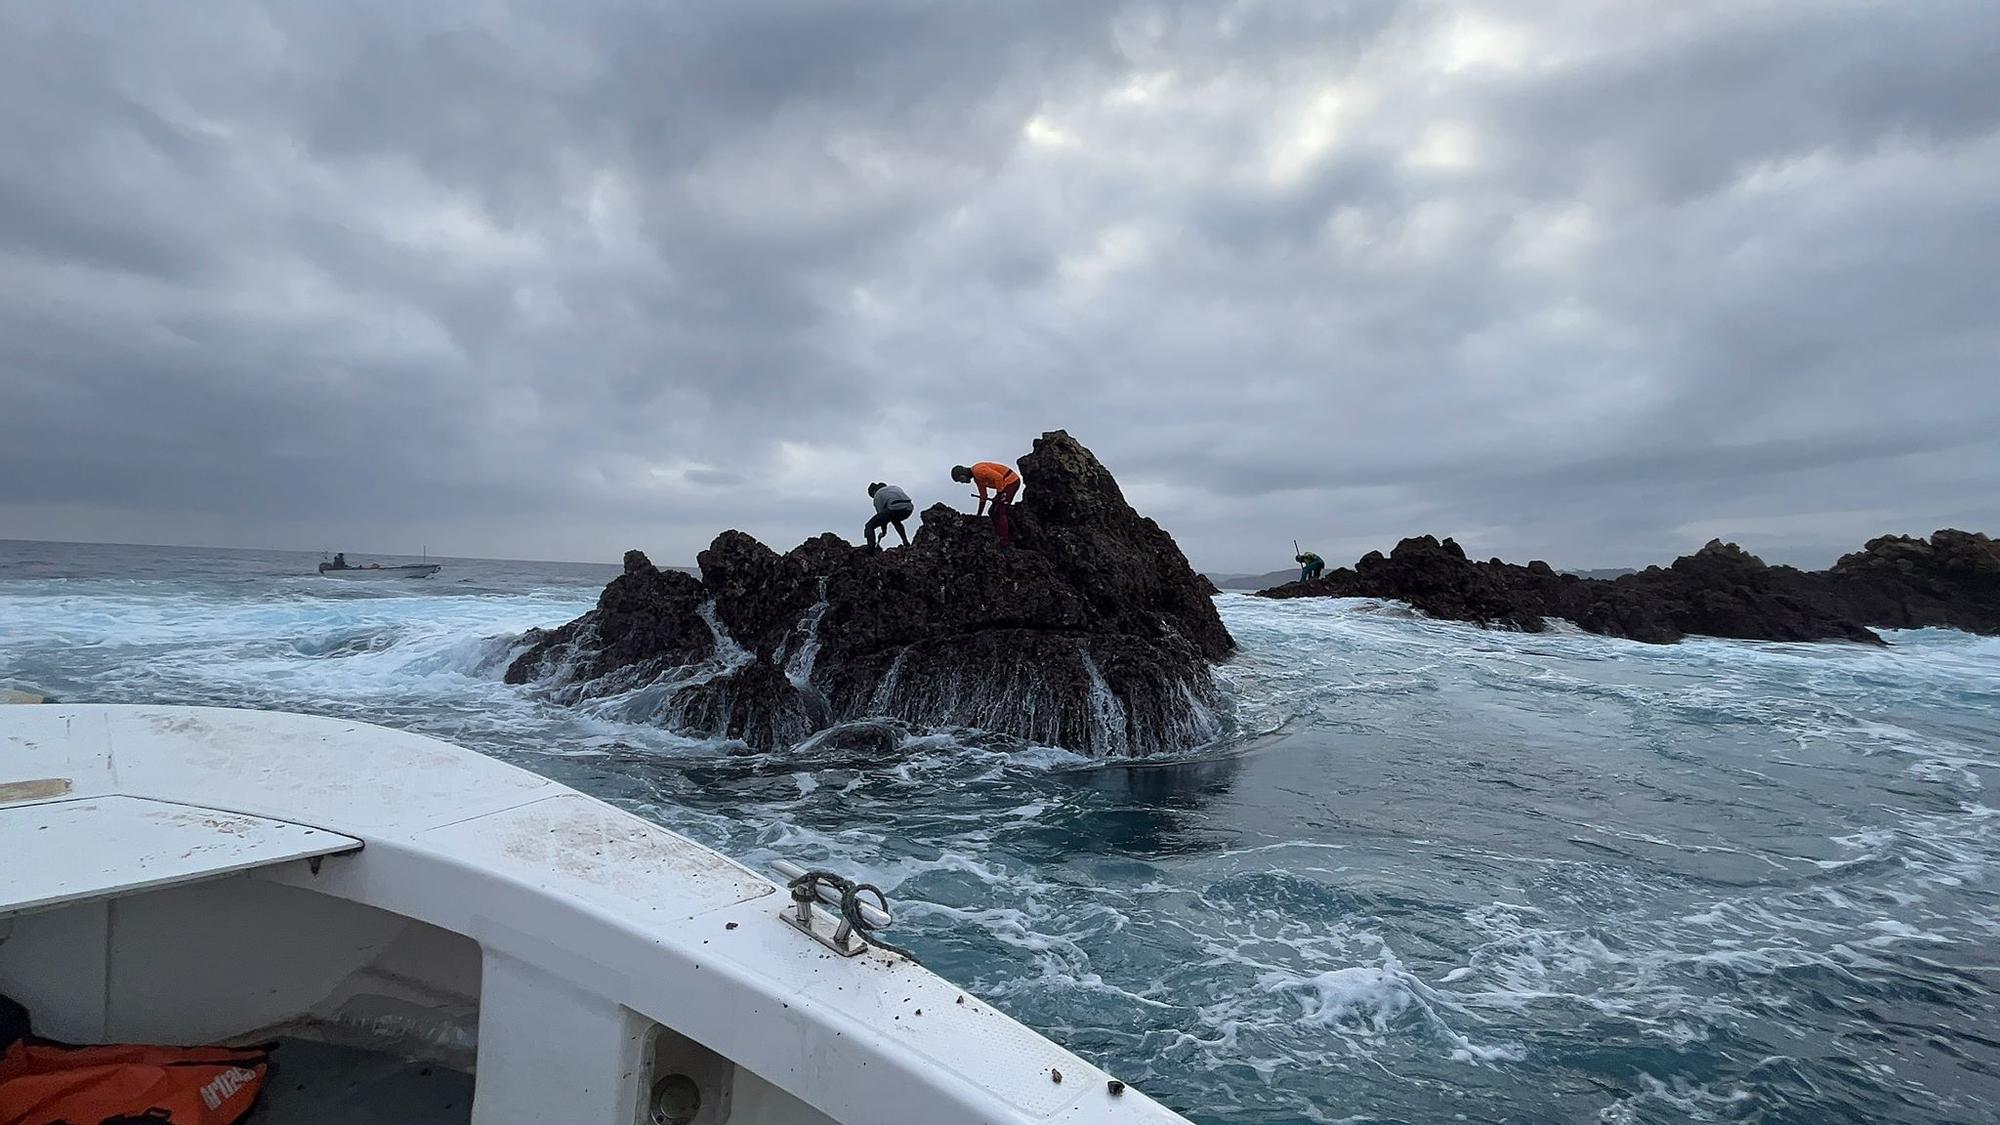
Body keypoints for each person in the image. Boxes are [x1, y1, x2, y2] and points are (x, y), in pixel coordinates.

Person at [952, 461, 1021, 544]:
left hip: (1011, 482)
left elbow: (998, 478)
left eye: (960, 480)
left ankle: (1004, 539)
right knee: (991, 511)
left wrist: (998, 495)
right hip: (1004, 486)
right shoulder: (977, 478)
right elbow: (983, 496)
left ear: (963, 474)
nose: (962, 482)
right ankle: (1002, 532)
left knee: (999, 511)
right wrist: (979, 515)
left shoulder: (978, 471)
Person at [864, 481, 915, 548]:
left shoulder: (877, 495)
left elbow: (882, 519)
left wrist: (883, 532)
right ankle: (906, 542)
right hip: (909, 508)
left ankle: (870, 549)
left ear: (873, 492)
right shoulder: (893, 487)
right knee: (895, 520)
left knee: (869, 526)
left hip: (894, 507)